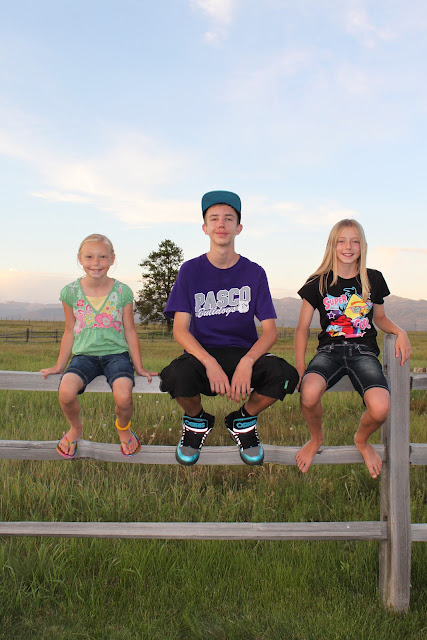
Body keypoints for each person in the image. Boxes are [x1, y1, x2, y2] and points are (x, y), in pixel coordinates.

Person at [160, 190, 299, 466]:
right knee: (175, 376)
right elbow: (180, 330)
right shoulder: (190, 271)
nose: (221, 224)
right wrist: (209, 362)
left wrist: (248, 362)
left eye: (228, 218)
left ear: (239, 227)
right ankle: (196, 422)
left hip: (242, 353)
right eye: (214, 218)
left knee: (285, 376)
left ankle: (243, 421)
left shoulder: (254, 272)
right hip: (202, 355)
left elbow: (270, 331)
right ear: (205, 228)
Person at [294, 219, 412, 478]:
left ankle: (362, 440)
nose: (348, 247)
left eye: (355, 241)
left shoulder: (373, 278)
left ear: (362, 245)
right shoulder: (318, 282)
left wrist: (400, 332)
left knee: (380, 408)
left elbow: (380, 318)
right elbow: (302, 328)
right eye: (342, 241)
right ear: (332, 245)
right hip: (329, 352)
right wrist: (301, 366)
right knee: (308, 394)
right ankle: (316, 438)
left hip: (363, 352)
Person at [41, 234, 157, 458]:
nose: (96, 262)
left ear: (112, 259)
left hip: (117, 355)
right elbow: (69, 331)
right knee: (66, 391)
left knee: (124, 396)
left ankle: (123, 429)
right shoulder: (70, 293)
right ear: (80, 259)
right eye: (89, 257)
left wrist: (139, 367)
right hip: (84, 356)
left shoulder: (122, 292)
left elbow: (130, 331)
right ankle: (75, 429)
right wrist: (59, 366)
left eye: (103, 256)